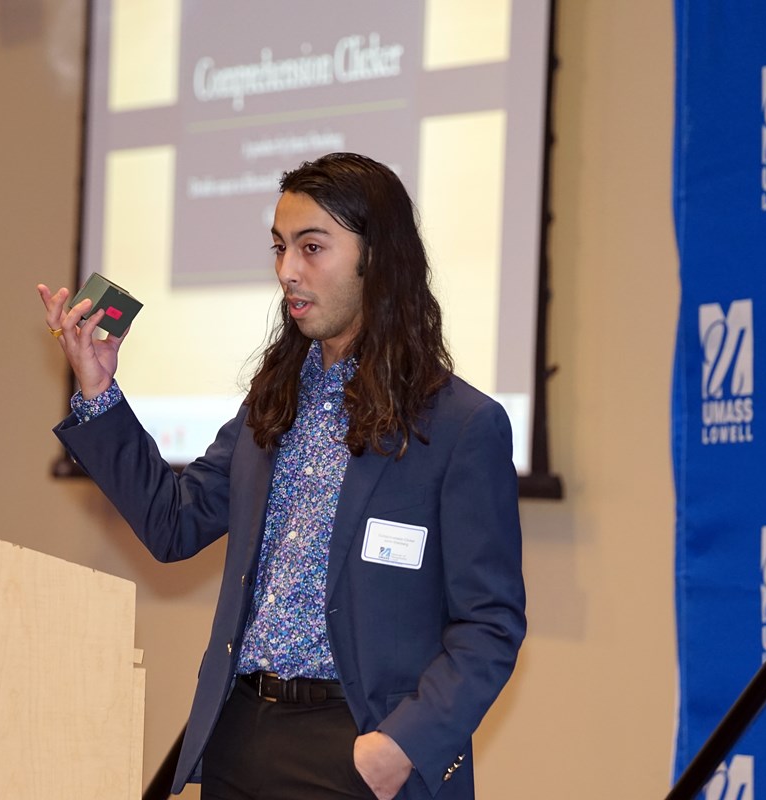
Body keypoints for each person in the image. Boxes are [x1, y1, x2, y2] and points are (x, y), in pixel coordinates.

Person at [38, 152, 525, 799]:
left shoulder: (462, 425)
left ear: (375, 257)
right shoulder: (274, 400)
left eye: (311, 247)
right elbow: (174, 523)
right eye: (279, 249)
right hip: (243, 734)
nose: (287, 272)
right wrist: (98, 390)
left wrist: (401, 745)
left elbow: (490, 624)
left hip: (359, 750)